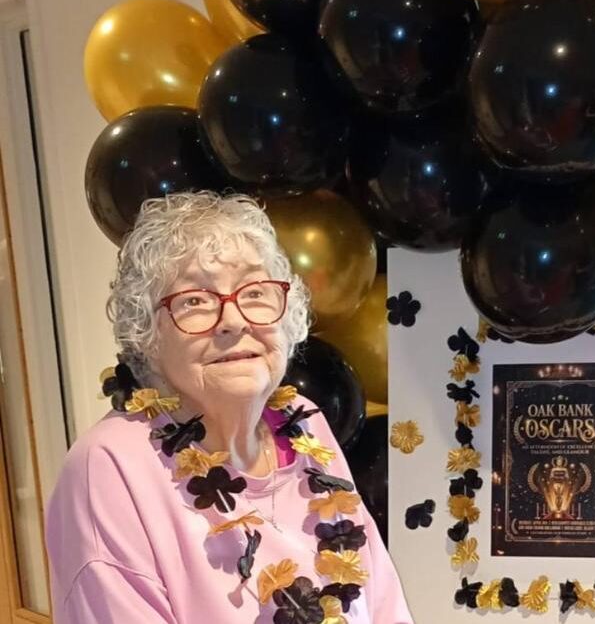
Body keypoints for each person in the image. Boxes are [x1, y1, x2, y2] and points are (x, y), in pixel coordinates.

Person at [46, 191, 413, 624]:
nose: (234, 321)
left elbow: (384, 603)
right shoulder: (110, 467)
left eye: (255, 292)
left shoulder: (302, 424)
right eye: (194, 301)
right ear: (146, 333)